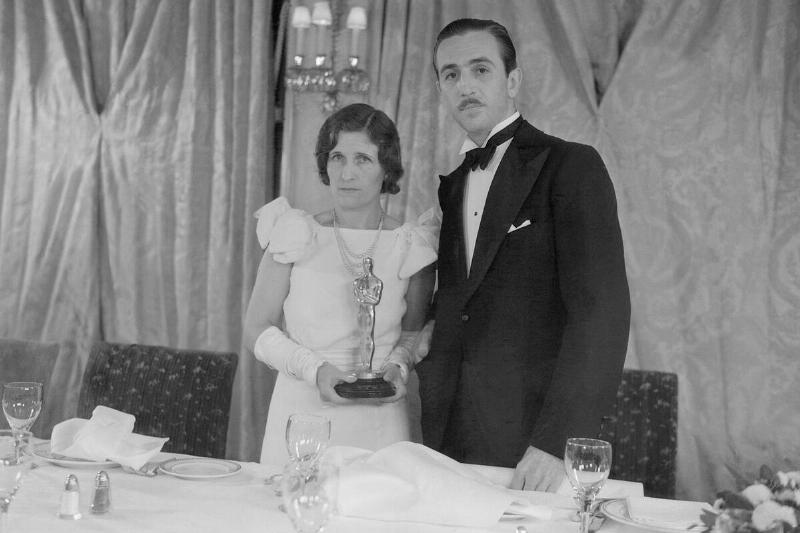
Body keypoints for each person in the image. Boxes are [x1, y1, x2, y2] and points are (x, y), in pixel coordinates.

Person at [417, 18, 630, 491]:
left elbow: (602, 315)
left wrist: (558, 442)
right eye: (450, 74)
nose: (464, 85)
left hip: (536, 441)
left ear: (512, 81)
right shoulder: (452, 187)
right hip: (450, 437)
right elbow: (463, 298)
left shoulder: (571, 165)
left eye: (480, 69)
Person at [243, 103, 437, 465]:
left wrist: (398, 367)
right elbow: (256, 328)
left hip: (379, 414)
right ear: (324, 164)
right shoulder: (294, 233)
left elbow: (412, 336)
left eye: (362, 159)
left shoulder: (412, 245)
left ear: (386, 168)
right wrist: (312, 369)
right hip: (302, 407)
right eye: (337, 157)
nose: (347, 173)